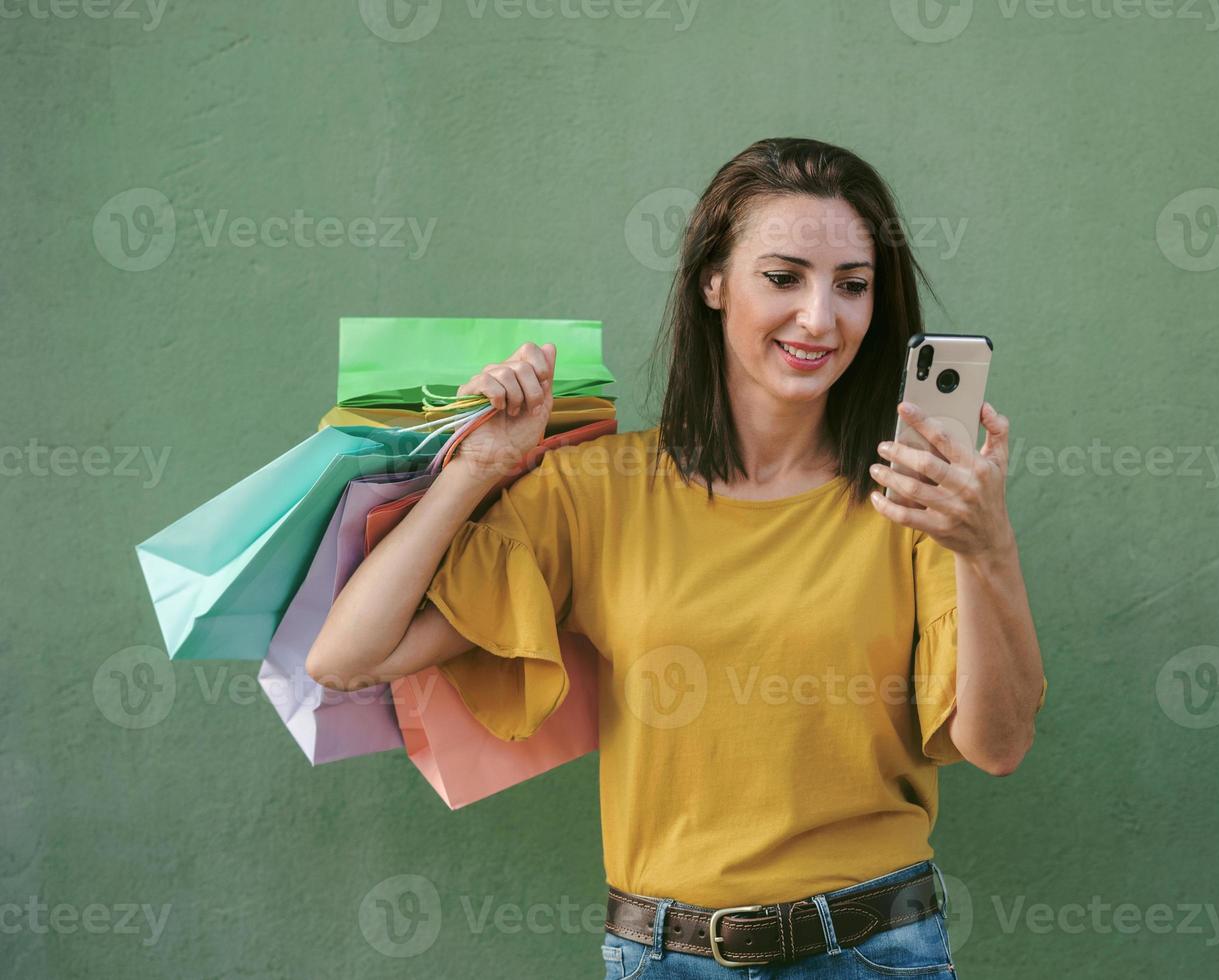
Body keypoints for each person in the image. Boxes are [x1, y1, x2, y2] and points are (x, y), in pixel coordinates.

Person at [307, 137, 1047, 977]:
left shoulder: (916, 499)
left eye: (852, 285)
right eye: (784, 276)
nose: (820, 318)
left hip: (874, 952)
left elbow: (1000, 744)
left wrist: (988, 545)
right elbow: (345, 658)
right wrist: (476, 469)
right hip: (665, 958)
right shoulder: (598, 490)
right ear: (713, 281)